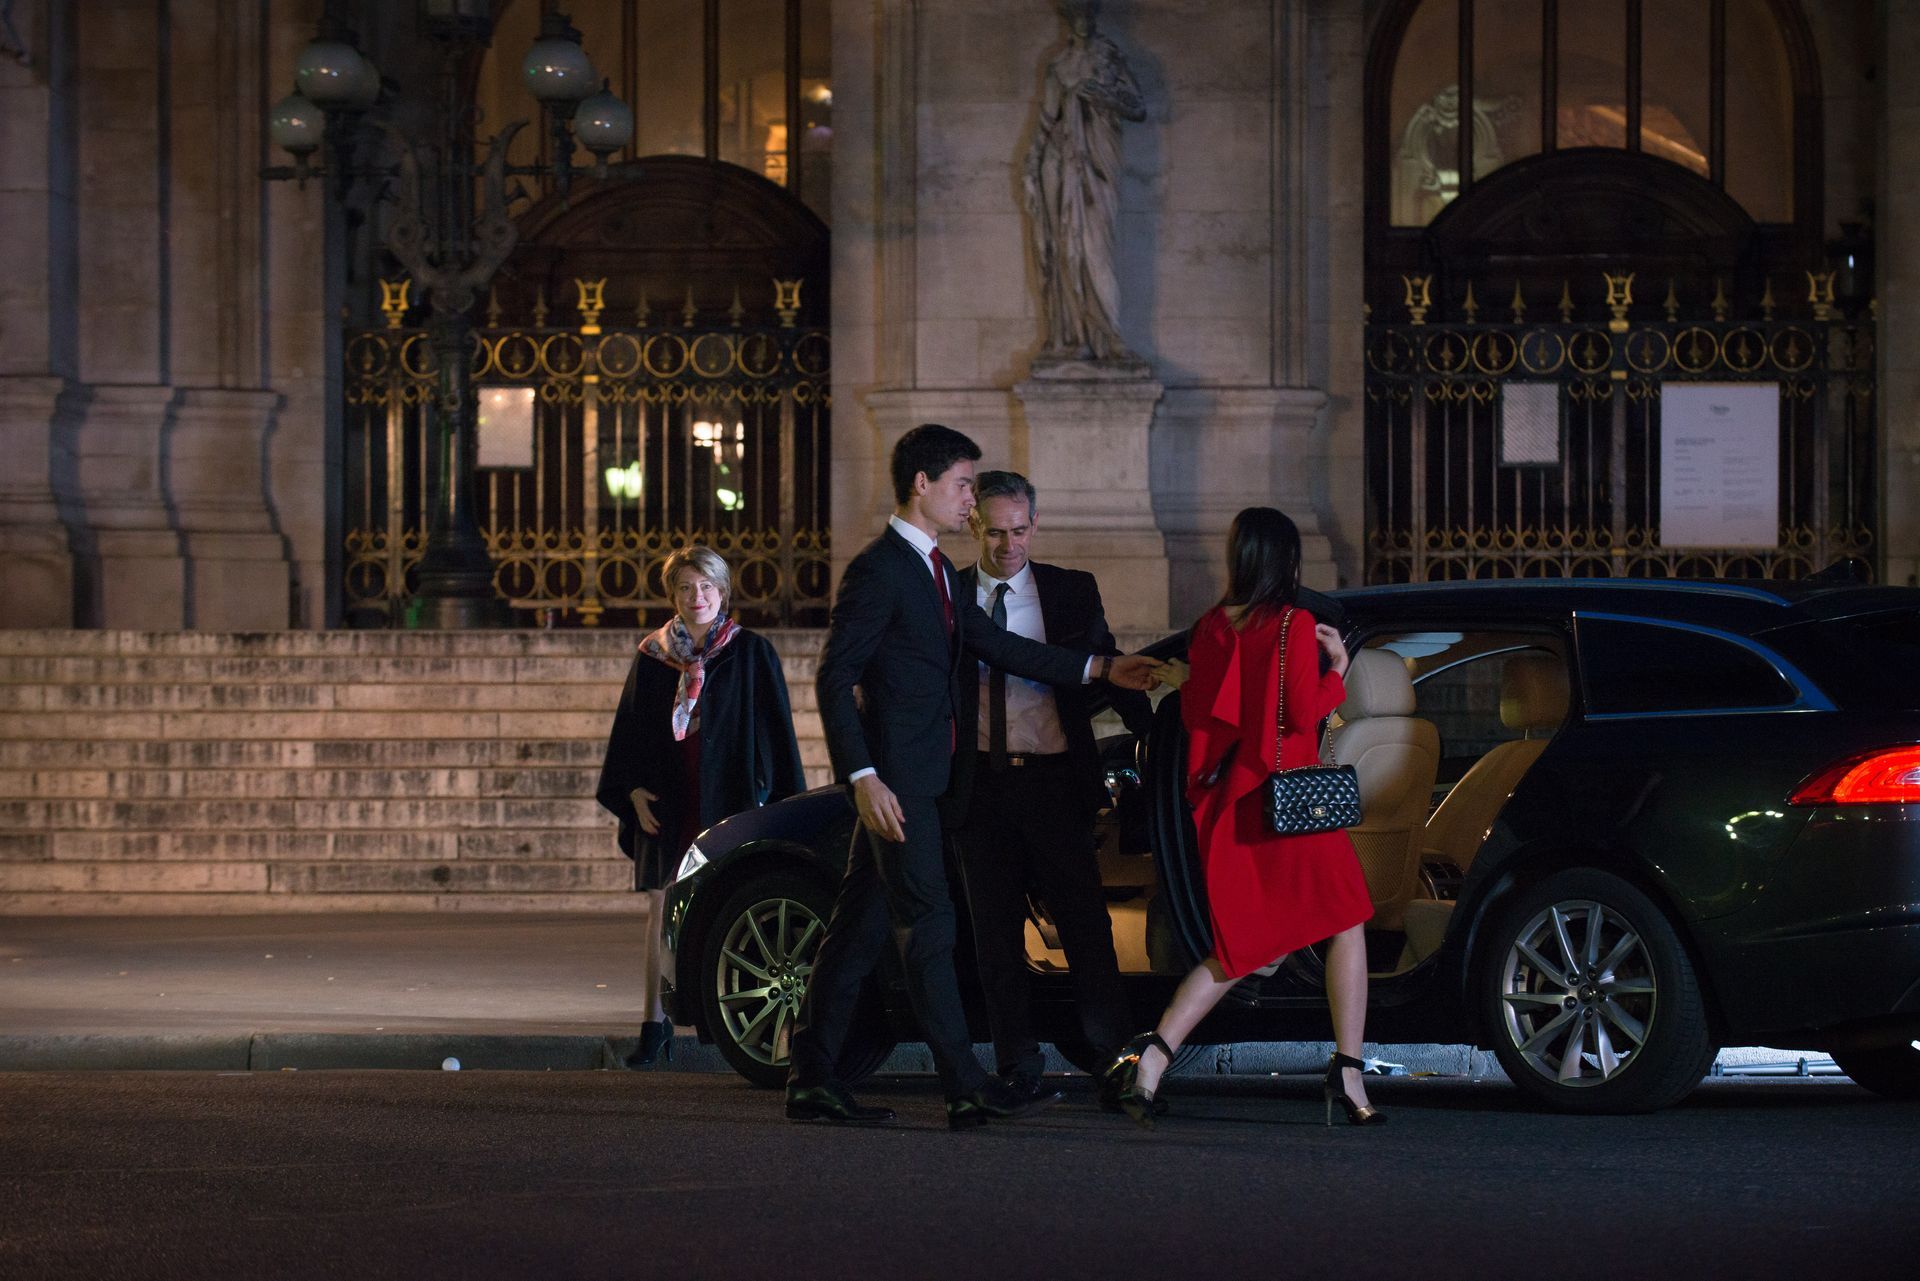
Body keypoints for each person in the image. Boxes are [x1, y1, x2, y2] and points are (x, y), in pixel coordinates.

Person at [784, 424, 1161, 1130]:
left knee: (860, 928)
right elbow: (835, 675)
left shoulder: (933, 572)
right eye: (962, 483)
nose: (970, 499)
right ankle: (964, 1082)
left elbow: (1000, 645)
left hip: (921, 780)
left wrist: (1101, 668)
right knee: (930, 924)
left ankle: (811, 1070)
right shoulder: (882, 569)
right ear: (921, 485)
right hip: (900, 786)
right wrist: (863, 775)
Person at [1105, 507, 1384, 1128]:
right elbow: (1298, 714)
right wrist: (1338, 671)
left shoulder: (1209, 628)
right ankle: (1348, 1070)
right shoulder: (1293, 624)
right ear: (1286, 561)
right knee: (1345, 922)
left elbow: (1205, 715)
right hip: (1294, 808)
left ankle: (1152, 1057)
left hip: (1235, 809)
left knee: (1246, 947)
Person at [955, 470, 1152, 1104]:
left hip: (1054, 785)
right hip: (980, 787)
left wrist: (1154, 736)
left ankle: (1114, 1058)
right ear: (972, 526)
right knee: (995, 934)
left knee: (1085, 927)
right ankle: (1018, 1063)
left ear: (1034, 526)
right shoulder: (949, 596)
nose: (1008, 545)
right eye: (995, 532)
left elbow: (1105, 670)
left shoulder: (1069, 591)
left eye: (1019, 531)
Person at [597, 545, 806, 1068]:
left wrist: (781, 804)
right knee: (660, 908)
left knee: (738, 906)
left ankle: (751, 1021)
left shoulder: (751, 653)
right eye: (687, 587)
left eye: (707, 586)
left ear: (724, 592)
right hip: (667, 801)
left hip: (729, 798)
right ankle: (653, 1026)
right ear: (673, 594)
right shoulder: (652, 656)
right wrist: (631, 789)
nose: (698, 597)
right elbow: (630, 732)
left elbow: (778, 734)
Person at [1022, 0, 1145, 362]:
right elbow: (1046, 123)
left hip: (1100, 162)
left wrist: (1106, 95)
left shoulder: (1109, 58)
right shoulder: (1058, 67)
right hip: (1062, 162)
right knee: (1067, 249)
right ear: (1067, 17)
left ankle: (1109, 334)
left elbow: (1138, 107)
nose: (1082, 20)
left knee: (1096, 248)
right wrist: (1031, 168)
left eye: (1087, 12)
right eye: (1075, 13)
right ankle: (1074, 335)